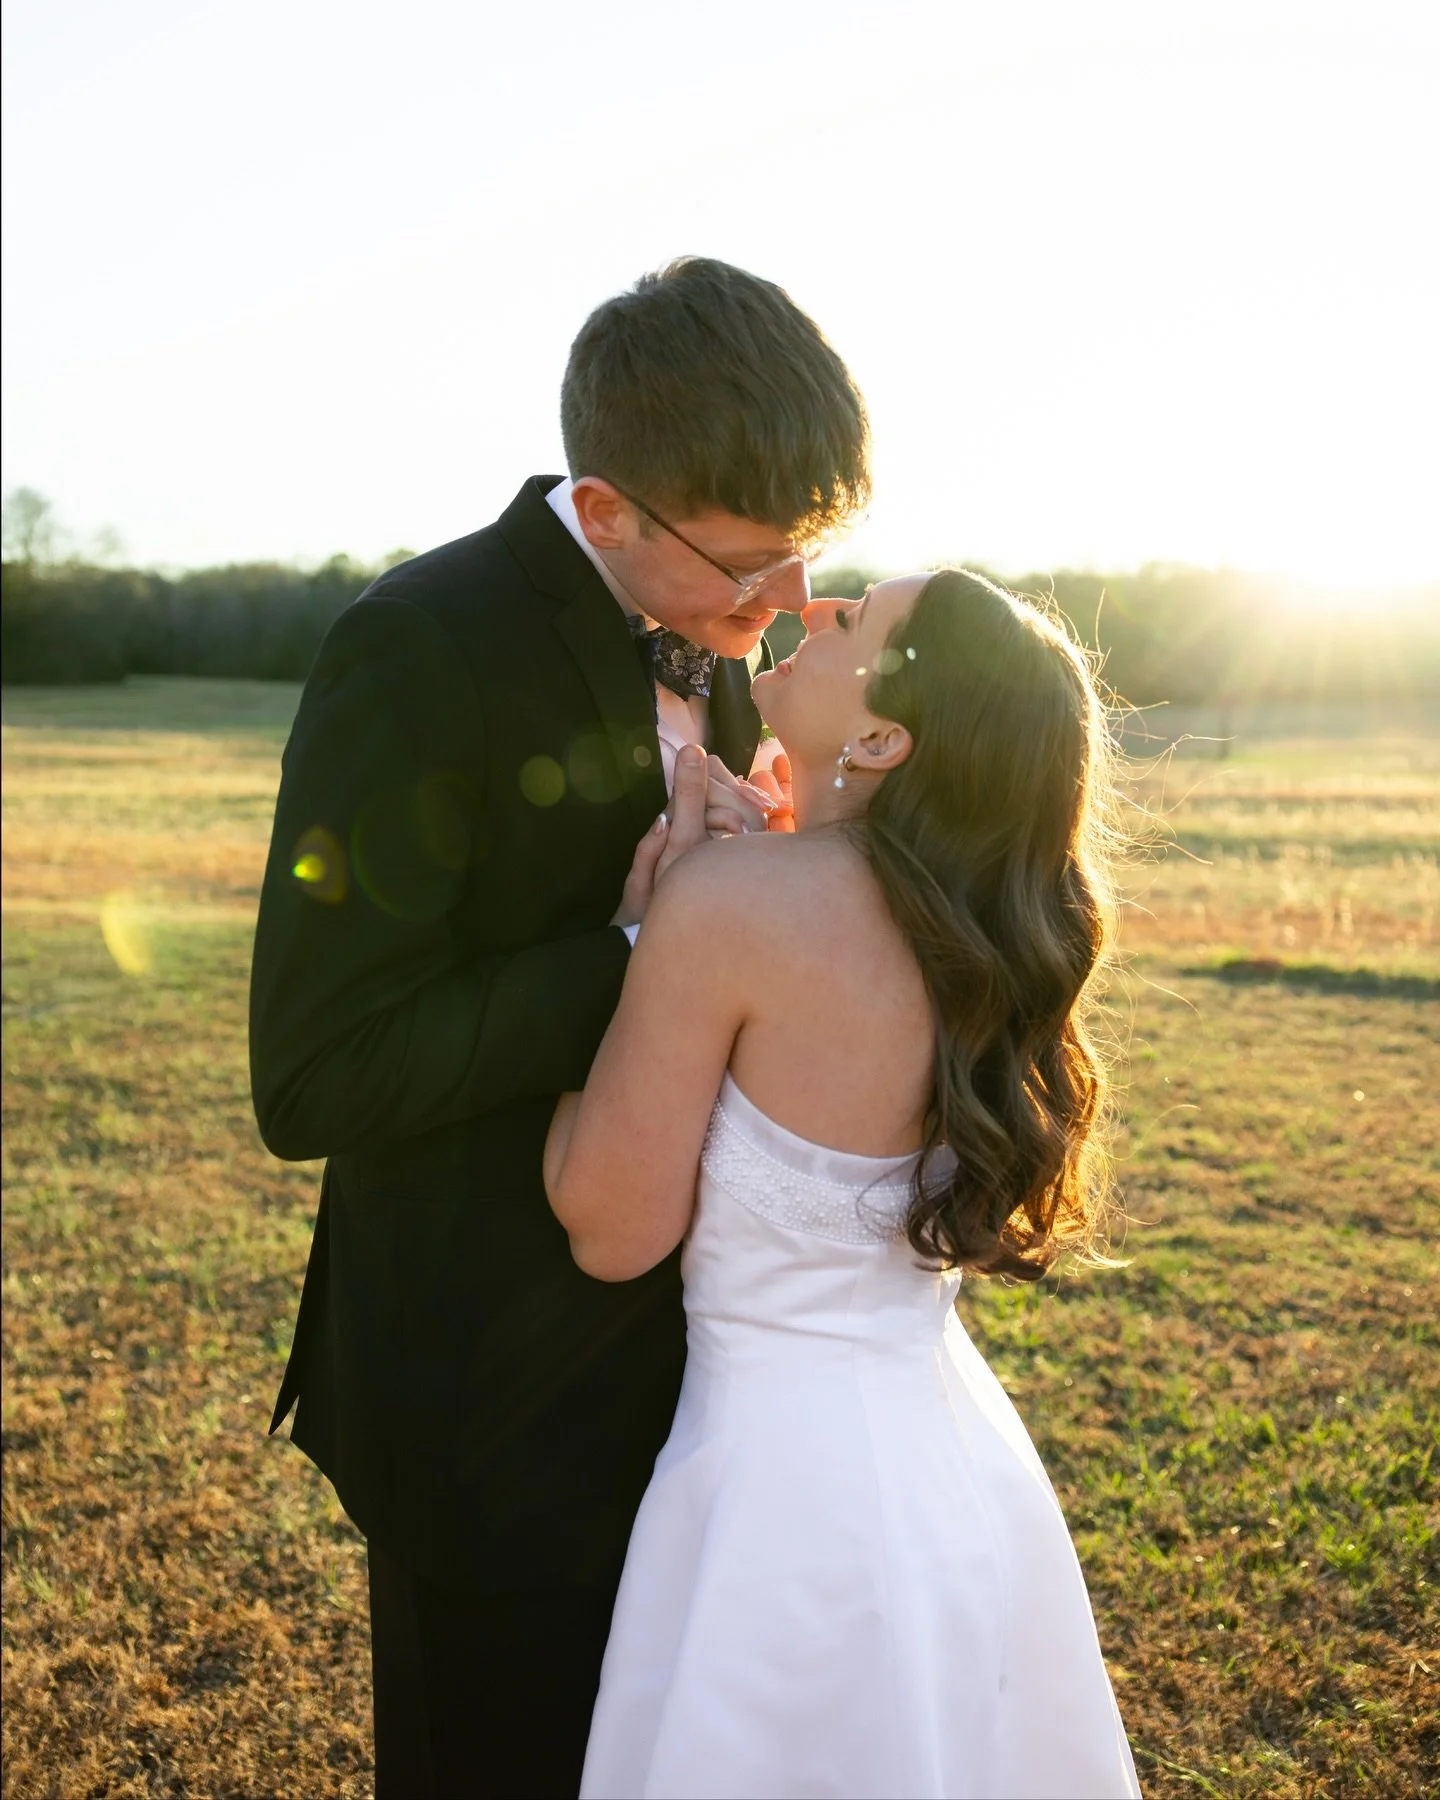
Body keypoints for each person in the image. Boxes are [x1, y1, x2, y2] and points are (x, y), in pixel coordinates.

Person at [248, 257, 870, 1798]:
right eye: (747, 568)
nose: (783, 612)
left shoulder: (716, 640)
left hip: (698, 1392)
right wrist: (647, 947)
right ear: (603, 513)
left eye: (807, 561)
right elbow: (319, 1070)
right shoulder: (420, 645)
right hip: (488, 1405)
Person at [545, 569, 1143, 1799]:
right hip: (958, 1479)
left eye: (856, 619)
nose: (812, 609)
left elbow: (609, 1228)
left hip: (777, 1509)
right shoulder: (982, 931)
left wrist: (634, 942)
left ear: (882, 737)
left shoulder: (728, 906)